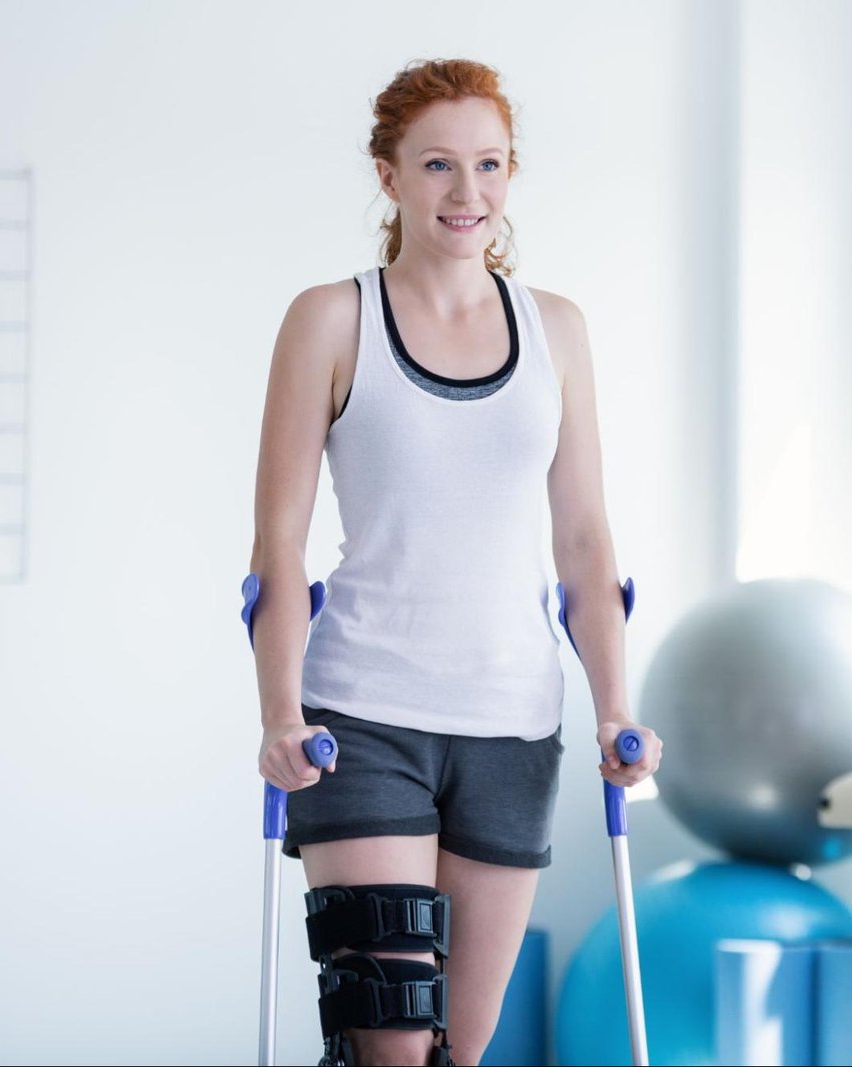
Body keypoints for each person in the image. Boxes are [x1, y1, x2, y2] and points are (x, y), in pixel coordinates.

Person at [247, 58, 661, 1067]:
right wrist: (279, 717)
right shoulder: (330, 317)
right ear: (389, 176)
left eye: (488, 164)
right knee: (386, 1042)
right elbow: (279, 545)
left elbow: (585, 541)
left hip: (511, 724)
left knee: (454, 1052)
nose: (466, 192)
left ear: (510, 174)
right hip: (359, 716)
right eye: (437, 165)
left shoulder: (556, 329)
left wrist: (614, 706)